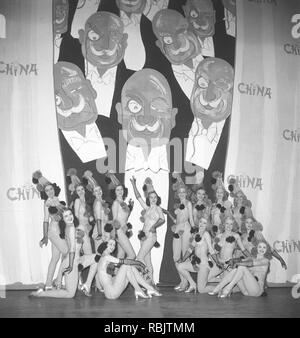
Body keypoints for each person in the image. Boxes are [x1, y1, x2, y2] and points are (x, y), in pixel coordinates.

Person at [30, 209, 98, 298]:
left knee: (97, 258)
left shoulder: (69, 227)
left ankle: (87, 285)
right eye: (66, 216)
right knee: (70, 294)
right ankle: (41, 293)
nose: (69, 217)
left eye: (70, 214)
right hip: (72, 262)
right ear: (63, 219)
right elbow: (72, 249)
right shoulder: (71, 228)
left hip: (77, 260)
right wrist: (70, 265)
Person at [32, 170, 68, 290]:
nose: (49, 191)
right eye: (46, 190)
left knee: (55, 258)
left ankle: (48, 284)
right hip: (53, 232)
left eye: (51, 189)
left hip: (60, 231)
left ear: (54, 189)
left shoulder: (57, 200)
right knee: (67, 253)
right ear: (44, 193)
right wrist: (45, 236)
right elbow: (46, 220)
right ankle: (58, 281)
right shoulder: (47, 203)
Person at [97, 239, 162, 300]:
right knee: (125, 266)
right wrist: (141, 265)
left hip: (110, 292)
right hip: (112, 292)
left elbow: (108, 277)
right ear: (105, 245)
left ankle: (149, 288)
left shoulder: (103, 258)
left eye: (114, 245)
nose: (113, 247)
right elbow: (125, 262)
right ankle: (139, 289)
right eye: (110, 244)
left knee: (131, 268)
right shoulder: (107, 257)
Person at [130, 176, 165, 285]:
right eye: (151, 197)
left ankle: (140, 282)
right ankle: (152, 283)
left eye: (155, 197)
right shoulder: (147, 208)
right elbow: (138, 197)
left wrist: (154, 226)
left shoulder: (158, 208)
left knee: (139, 258)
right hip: (143, 236)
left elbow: (162, 219)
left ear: (157, 198)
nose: (153, 199)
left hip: (151, 236)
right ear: (149, 199)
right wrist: (134, 185)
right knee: (147, 260)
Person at [176, 216, 220, 293]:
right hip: (196, 263)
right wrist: (183, 259)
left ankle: (222, 288)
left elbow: (211, 250)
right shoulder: (196, 235)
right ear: (198, 223)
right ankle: (192, 284)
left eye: (204, 223)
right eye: (200, 222)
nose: (202, 224)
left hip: (204, 264)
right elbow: (190, 249)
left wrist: (217, 262)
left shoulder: (206, 234)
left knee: (201, 290)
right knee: (180, 266)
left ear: (207, 225)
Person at [171, 174, 195, 289]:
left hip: (186, 229)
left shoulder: (188, 203)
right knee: (176, 256)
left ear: (186, 193)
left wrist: (195, 232)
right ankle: (182, 281)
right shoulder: (177, 205)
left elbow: (190, 218)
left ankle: (186, 282)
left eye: (183, 192)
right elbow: (177, 220)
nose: (181, 193)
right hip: (177, 229)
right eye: (179, 192)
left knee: (185, 255)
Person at [208, 215, 250, 282]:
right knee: (208, 278)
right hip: (220, 263)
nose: (229, 226)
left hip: (229, 264)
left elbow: (243, 250)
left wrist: (251, 258)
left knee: (224, 286)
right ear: (224, 224)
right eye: (227, 223)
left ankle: (226, 280)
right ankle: (223, 280)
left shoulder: (236, 235)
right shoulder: (219, 236)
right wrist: (217, 261)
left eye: (231, 224)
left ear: (233, 225)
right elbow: (212, 251)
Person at [106, 172, 136, 259]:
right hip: (119, 231)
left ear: (124, 191)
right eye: (117, 190)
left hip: (123, 230)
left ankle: (117, 271)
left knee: (121, 255)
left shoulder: (123, 203)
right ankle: (122, 272)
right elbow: (115, 219)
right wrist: (114, 234)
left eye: (121, 189)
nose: (120, 191)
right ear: (114, 192)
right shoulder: (115, 203)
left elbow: (125, 216)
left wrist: (130, 207)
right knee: (132, 255)